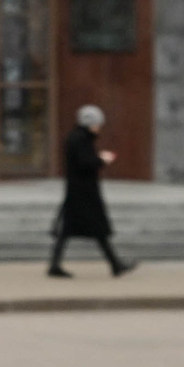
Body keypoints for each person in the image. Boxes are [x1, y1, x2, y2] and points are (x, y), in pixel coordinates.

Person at [50, 104, 134, 279]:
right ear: (90, 123)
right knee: (98, 230)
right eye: (97, 124)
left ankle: (55, 265)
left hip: (77, 191)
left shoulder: (77, 137)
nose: (99, 127)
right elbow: (85, 164)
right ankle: (116, 265)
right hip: (84, 192)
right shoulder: (81, 139)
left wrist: (97, 159)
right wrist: (102, 160)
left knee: (69, 231)